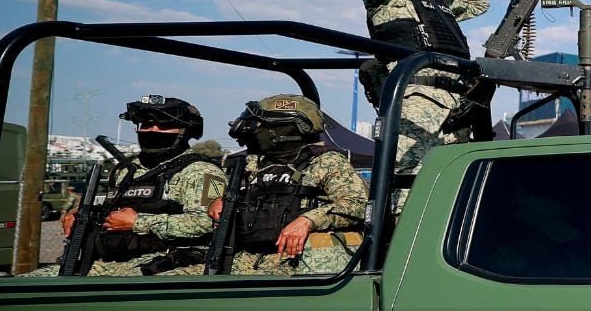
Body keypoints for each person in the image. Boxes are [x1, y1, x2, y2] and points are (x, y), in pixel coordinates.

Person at [355, 0, 490, 208]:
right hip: (415, 98)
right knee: (407, 191)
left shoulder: (441, 4)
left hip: (455, 103)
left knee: (453, 188)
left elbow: (478, 2)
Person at [41, 95, 226, 277]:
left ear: (185, 131)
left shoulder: (199, 171)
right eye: (146, 125)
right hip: (105, 260)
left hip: (160, 264)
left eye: (164, 126)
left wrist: (138, 222)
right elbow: (112, 209)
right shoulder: (125, 169)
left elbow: (207, 223)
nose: (152, 130)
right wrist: (80, 216)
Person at [212, 95, 368, 276]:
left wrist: (308, 220)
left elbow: (358, 205)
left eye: (260, 125)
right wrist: (219, 203)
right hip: (244, 258)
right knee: (175, 283)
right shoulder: (252, 164)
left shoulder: (325, 162)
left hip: (294, 261)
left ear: (282, 130)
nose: (252, 131)